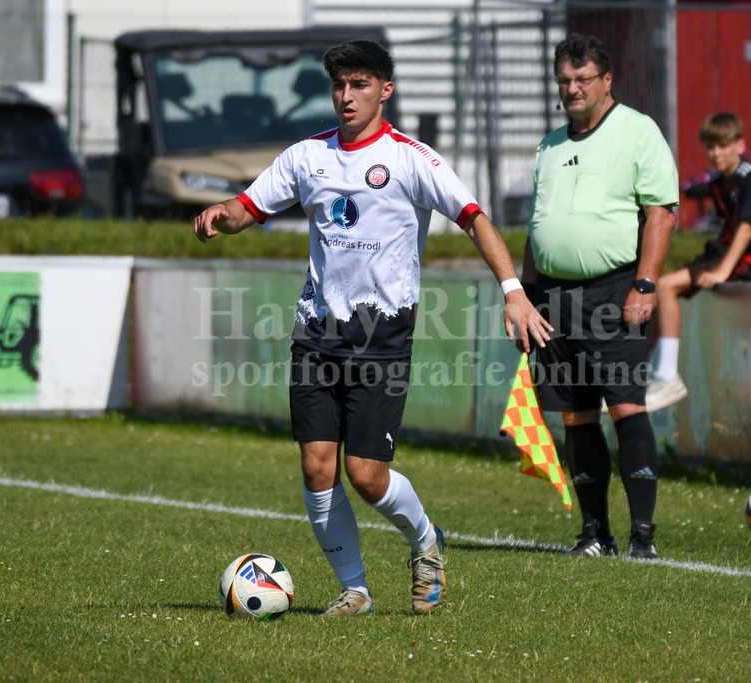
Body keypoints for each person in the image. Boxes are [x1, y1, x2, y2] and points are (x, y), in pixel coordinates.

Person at [194, 40, 552, 617]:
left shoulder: (412, 159)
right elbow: (248, 208)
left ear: (385, 90)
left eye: (359, 84)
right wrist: (222, 215)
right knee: (317, 465)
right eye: (339, 85)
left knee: (365, 474)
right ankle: (355, 589)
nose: (346, 96)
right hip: (316, 331)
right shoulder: (307, 156)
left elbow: (474, 219)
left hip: (381, 337)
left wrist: (514, 292)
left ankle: (426, 542)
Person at [520, 34, 678, 559]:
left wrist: (645, 283)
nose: (572, 89)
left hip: (615, 290)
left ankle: (642, 538)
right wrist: (524, 295)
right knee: (575, 415)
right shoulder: (549, 145)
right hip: (552, 298)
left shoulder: (638, 131)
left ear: (607, 80)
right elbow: (537, 229)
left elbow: (661, 213)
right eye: (564, 80)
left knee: (627, 407)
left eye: (582, 79)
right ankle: (594, 535)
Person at [644, 112, 751, 412]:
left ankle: (667, 376)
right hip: (721, 254)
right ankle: (642, 375)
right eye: (710, 147)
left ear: (740, 146)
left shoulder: (750, 177)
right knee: (657, 294)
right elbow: (695, 193)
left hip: (744, 259)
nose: (716, 153)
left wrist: (724, 270)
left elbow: (748, 227)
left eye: (723, 145)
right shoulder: (719, 181)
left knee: (664, 286)